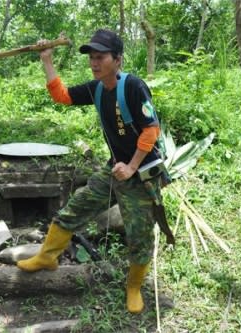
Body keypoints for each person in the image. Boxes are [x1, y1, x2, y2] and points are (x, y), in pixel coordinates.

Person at [17, 29, 163, 314]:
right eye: (92, 58)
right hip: (115, 169)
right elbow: (61, 96)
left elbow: (151, 130)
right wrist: (47, 59)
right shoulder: (96, 88)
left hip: (141, 173)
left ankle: (133, 287)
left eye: (101, 57)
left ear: (117, 60)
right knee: (77, 207)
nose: (94, 63)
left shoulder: (133, 86)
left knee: (140, 234)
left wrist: (132, 166)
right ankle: (47, 257)